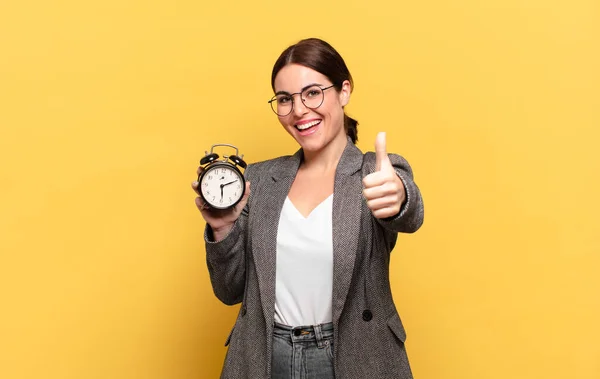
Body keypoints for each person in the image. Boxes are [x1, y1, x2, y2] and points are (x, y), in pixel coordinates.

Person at [192, 38, 424, 379]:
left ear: (343, 91)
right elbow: (229, 292)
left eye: (312, 92)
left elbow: (410, 209)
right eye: (285, 99)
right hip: (267, 356)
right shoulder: (258, 178)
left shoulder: (376, 174)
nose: (299, 110)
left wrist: (399, 196)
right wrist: (223, 227)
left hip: (354, 355)